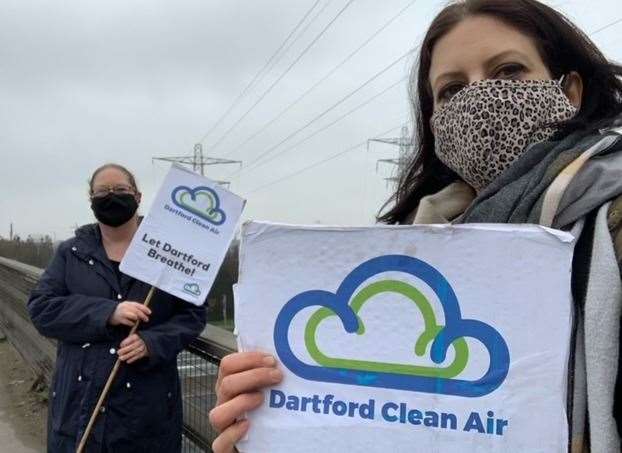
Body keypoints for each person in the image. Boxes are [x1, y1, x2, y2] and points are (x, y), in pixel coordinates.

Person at [208, 1, 622, 452]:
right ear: (435, 122)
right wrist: (272, 419)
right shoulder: (415, 242)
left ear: (572, 90)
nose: (480, 99)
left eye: (508, 71)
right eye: (451, 90)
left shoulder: (613, 231)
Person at [28, 163, 207, 453]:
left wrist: (152, 342)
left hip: (146, 410)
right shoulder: (71, 253)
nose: (111, 196)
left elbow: (193, 315)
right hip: (79, 405)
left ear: (137, 196)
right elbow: (42, 309)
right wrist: (107, 312)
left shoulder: (170, 254)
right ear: (91, 200)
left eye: (120, 190)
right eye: (102, 191)